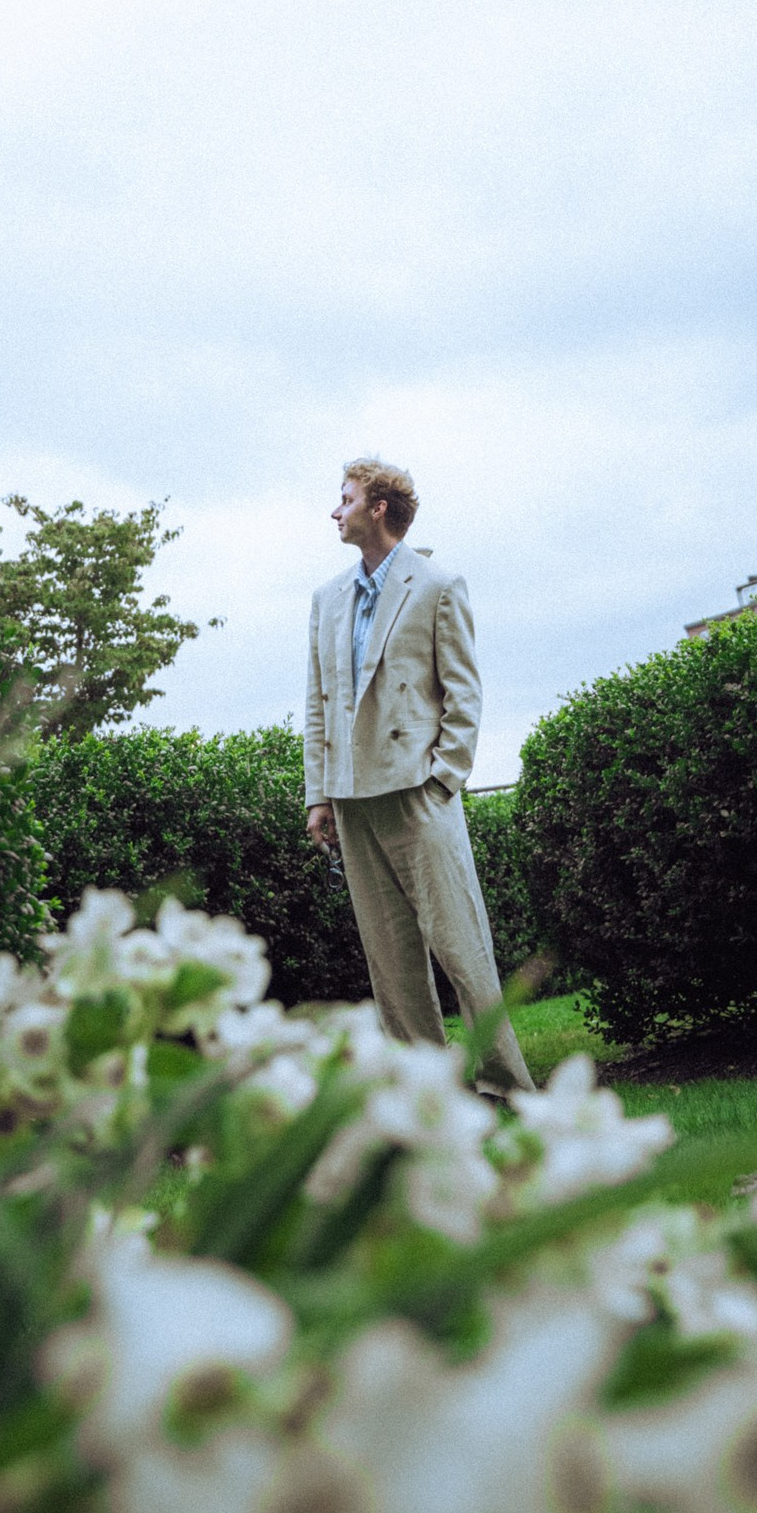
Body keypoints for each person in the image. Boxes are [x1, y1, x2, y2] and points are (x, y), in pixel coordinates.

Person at [304, 459, 530, 1092]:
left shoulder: (437, 583)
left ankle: (506, 1089)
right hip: (352, 800)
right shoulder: (325, 600)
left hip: (417, 793)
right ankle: (429, 1095)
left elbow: (464, 693)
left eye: (344, 499)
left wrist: (443, 779)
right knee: (391, 964)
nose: (334, 510)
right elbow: (318, 703)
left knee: (463, 951)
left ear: (377, 508)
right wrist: (318, 795)